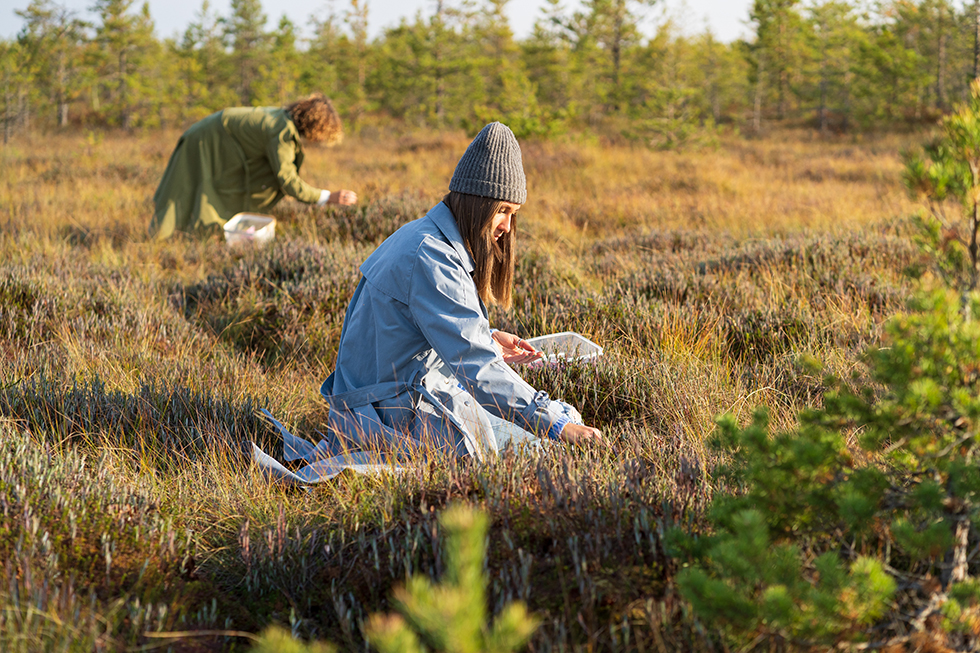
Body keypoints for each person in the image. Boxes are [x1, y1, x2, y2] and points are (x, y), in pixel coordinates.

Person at [319, 121, 602, 461]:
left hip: (380, 402)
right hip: (383, 416)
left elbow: (418, 331)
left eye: (514, 214)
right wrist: (556, 425)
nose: (508, 226)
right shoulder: (432, 258)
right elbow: (475, 366)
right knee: (544, 444)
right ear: (477, 204)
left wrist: (489, 335)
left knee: (535, 428)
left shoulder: (423, 236)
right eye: (503, 211)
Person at [150, 93, 358, 239]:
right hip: (204, 140)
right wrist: (326, 197)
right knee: (186, 188)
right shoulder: (282, 132)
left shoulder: (284, 123)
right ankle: (164, 238)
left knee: (203, 189)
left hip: (215, 138)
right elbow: (287, 180)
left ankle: (197, 235)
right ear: (316, 127)